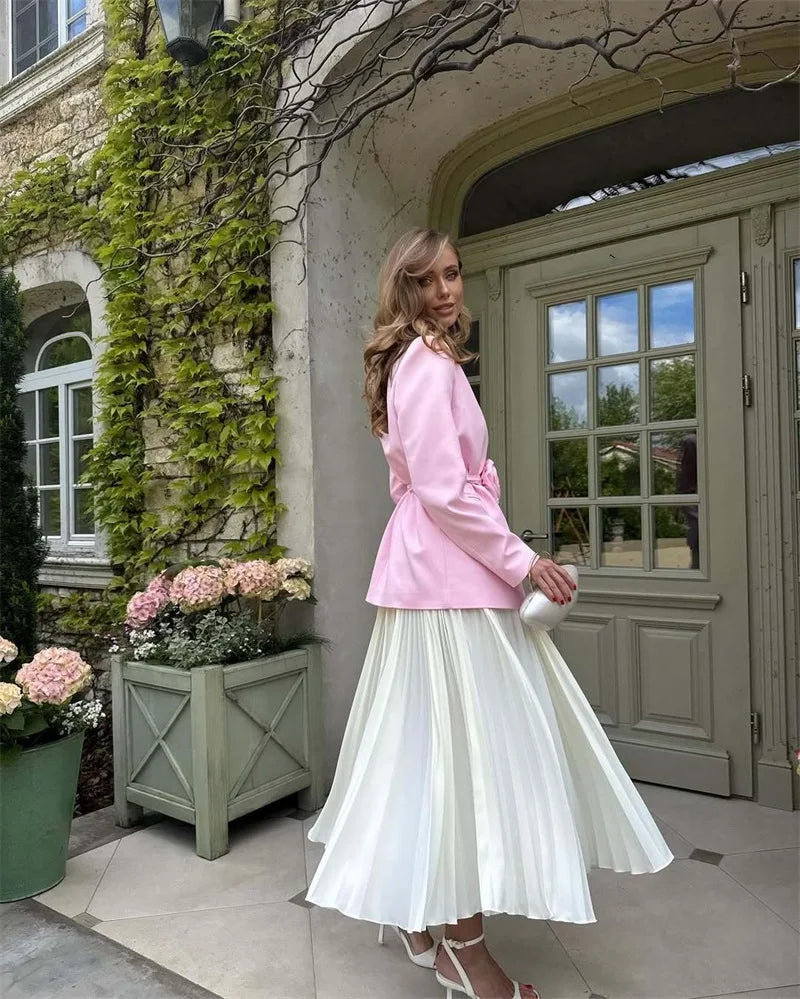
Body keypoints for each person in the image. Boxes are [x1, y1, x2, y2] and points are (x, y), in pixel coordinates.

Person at [306, 229, 673, 999]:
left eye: (453, 273)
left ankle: (418, 920)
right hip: (448, 584)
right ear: (403, 288)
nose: (446, 290)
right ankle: (462, 952)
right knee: (463, 765)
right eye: (428, 279)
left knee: (426, 755)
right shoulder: (424, 363)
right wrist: (522, 560)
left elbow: (434, 487)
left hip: (435, 577)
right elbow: (443, 490)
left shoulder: (418, 361)